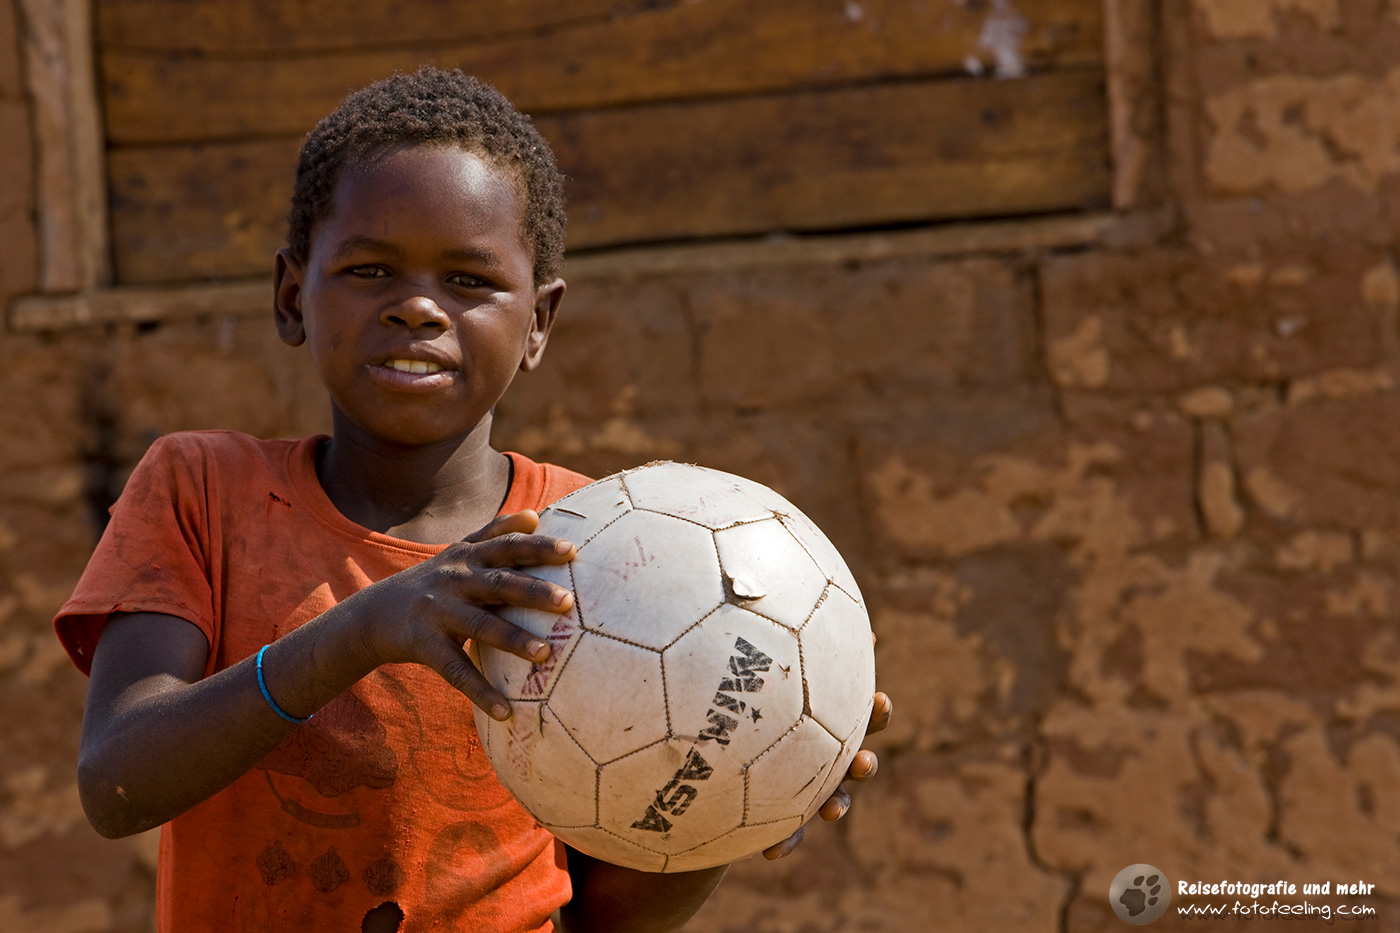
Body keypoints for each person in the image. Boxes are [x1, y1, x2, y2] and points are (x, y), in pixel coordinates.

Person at [54, 66, 891, 932]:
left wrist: (733, 781)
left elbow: (608, 914)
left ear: (538, 322)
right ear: (290, 294)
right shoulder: (204, 489)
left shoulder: (597, 551)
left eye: (468, 281)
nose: (416, 306)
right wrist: (365, 628)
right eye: (370, 269)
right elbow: (116, 781)